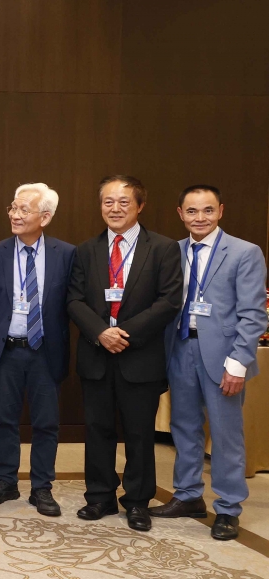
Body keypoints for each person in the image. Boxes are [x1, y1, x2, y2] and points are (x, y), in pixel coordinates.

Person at [150, 185, 267, 540]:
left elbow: (253, 315)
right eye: (192, 211)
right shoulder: (172, 251)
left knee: (225, 434)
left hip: (224, 355)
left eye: (207, 210)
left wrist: (238, 363)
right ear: (180, 214)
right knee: (184, 427)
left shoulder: (245, 252)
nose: (199, 217)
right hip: (181, 348)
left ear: (220, 211)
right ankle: (188, 496)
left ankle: (228, 508)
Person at [67, 175, 183, 532]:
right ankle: (99, 496)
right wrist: (101, 332)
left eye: (123, 202)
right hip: (96, 354)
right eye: (108, 202)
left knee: (139, 433)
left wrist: (124, 334)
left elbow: (168, 301)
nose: (115, 208)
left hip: (140, 356)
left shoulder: (163, 248)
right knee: (97, 430)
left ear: (140, 206)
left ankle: (137, 501)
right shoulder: (85, 250)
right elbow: (74, 299)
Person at [0, 183, 75, 517]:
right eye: (13, 207)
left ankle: (41, 487)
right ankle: (5, 481)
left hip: (45, 350)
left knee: (46, 422)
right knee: (4, 420)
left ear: (44, 217)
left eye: (24, 209)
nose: (15, 215)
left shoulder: (66, 254)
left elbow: (72, 302)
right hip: (7, 350)